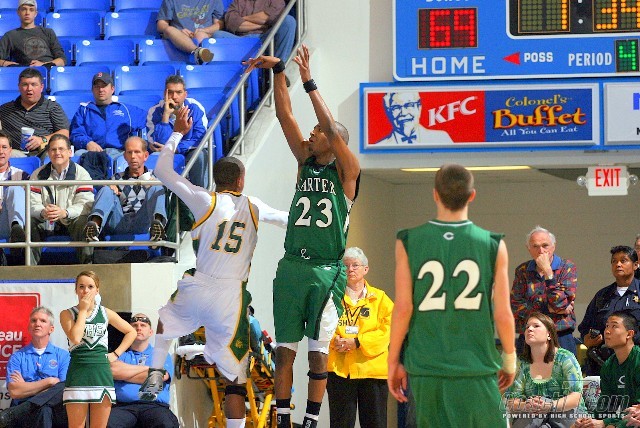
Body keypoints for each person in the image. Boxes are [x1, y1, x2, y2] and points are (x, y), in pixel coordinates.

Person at [138, 107, 288, 428]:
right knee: (234, 380)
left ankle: (155, 371)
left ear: (217, 180)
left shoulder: (204, 200)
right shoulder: (254, 205)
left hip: (202, 284)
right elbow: (287, 220)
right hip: (231, 298)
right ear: (241, 180)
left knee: (165, 321)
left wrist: (177, 133)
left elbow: (162, 170)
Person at [244, 45, 361, 428]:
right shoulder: (304, 161)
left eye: (318, 132)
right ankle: (283, 418)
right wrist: (279, 70)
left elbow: (328, 125)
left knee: (317, 351)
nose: (312, 133)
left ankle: (311, 419)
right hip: (293, 265)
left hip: (326, 271)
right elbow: (284, 115)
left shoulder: (347, 171)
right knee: (284, 352)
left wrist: (309, 82)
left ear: (333, 140)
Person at [387, 164, 516, 427]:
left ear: (435, 194)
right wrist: (510, 359)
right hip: (476, 367)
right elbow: (503, 313)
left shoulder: (408, 241)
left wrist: (393, 361)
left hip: (426, 368)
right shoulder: (493, 244)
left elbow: (403, 308)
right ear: (472, 195)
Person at [59, 271, 136, 428]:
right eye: (81, 287)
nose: (85, 291)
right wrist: (83, 310)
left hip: (101, 373)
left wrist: (116, 354)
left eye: (90, 287)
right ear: (76, 290)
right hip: (78, 373)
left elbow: (131, 332)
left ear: (97, 290)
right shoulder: (67, 314)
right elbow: (76, 338)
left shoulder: (105, 312)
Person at [326, 247, 393, 428]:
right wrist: (335, 340)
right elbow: (322, 324)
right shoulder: (332, 297)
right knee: (340, 423)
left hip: (372, 372)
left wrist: (357, 342)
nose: (350, 269)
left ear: (365, 269)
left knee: (375, 423)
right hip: (340, 371)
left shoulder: (380, 299)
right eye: (345, 266)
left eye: (355, 265)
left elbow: (389, 330)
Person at [505, 312, 587, 428]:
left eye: (536, 326)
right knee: (529, 416)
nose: (530, 329)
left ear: (549, 334)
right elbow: (511, 402)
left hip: (566, 416)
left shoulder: (565, 358)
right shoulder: (523, 364)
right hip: (535, 417)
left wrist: (549, 405)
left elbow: (575, 397)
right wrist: (526, 405)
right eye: (527, 327)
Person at [82, 136, 166, 243]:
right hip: (119, 221)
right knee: (106, 189)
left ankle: (157, 229)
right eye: (129, 152)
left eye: (137, 152)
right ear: (125, 156)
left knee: (156, 187)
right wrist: (109, 188)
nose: (133, 156)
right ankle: (93, 228)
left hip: (143, 221)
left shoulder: (155, 177)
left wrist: (152, 185)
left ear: (145, 156)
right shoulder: (117, 178)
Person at [512, 226, 577, 356]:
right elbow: (516, 306)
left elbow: (560, 304)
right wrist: (549, 309)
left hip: (559, 335)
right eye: (535, 246)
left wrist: (548, 273)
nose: (541, 251)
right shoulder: (522, 270)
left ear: (553, 246)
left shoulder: (567, 267)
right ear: (529, 249)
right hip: (529, 336)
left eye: (545, 245)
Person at [29, 134, 94, 265]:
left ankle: (86, 269)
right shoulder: (37, 174)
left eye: (61, 149)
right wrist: (43, 212)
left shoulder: (82, 174)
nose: (57, 153)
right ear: (48, 153)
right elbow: (31, 203)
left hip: (71, 219)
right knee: (30, 224)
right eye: (53, 149)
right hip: (46, 220)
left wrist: (65, 213)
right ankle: (30, 270)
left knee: (84, 223)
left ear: (70, 152)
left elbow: (85, 205)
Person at [0, 306, 70, 428]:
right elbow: (15, 392)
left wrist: (26, 387)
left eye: (43, 321)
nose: (37, 324)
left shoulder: (63, 356)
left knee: (58, 393)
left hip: (51, 412)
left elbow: (61, 390)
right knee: (44, 409)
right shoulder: (17, 357)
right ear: (29, 327)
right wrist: (49, 381)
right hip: (25, 415)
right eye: (34, 320)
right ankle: (25, 408)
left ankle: (18, 411)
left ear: (51, 329)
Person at [107, 313, 178, 428]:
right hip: (124, 407)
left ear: (150, 332)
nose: (138, 328)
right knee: (107, 424)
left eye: (143, 325)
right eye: (134, 325)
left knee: (166, 424)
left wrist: (124, 373)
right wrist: (148, 369)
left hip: (155, 407)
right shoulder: (119, 354)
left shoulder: (161, 355)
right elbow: (113, 371)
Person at [578, 245, 640, 376]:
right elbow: (585, 327)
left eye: (623, 260)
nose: (618, 264)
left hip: (635, 362)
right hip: (604, 363)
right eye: (614, 261)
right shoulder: (602, 295)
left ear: (635, 265)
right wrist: (587, 339)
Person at [575, 311, 640, 428]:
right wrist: (589, 420)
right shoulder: (609, 365)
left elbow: (637, 410)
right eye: (607, 326)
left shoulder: (637, 360)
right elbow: (606, 405)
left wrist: (605, 423)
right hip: (625, 417)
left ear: (629, 334)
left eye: (614, 326)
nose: (607, 331)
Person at [147, 75, 209, 188]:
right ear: (164, 94)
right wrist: (166, 116)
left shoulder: (195, 108)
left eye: (179, 92)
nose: (174, 96)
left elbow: (200, 139)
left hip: (189, 151)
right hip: (165, 153)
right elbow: (158, 143)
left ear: (185, 94)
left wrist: (176, 149)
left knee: (199, 154)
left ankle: (200, 193)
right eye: (170, 92)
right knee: (156, 155)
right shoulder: (155, 111)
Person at [70, 72, 147, 160]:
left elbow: (151, 119)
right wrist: (88, 143)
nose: (100, 90)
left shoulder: (126, 110)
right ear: (92, 90)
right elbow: (76, 134)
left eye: (104, 86)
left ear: (112, 89)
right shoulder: (83, 110)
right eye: (97, 87)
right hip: (92, 153)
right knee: (78, 154)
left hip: (119, 153)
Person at [0, 67, 69, 155]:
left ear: (41, 87)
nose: (29, 89)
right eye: (25, 84)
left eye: (34, 84)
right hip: (16, 154)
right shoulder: (6, 109)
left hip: (43, 152)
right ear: (19, 87)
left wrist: (42, 140)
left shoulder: (52, 107)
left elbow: (64, 133)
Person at [215, 0, 296, 62]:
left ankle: (278, 68)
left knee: (289, 21)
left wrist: (243, 18)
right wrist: (262, 25)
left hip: (266, 38)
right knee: (217, 35)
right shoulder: (238, 2)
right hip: (242, 40)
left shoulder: (276, 1)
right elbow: (232, 23)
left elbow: (267, 17)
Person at [0, 0, 66, 67]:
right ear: (18, 12)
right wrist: (13, 66)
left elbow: (62, 60)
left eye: (31, 10)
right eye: (24, 9)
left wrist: (43, 65)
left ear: (35, 13)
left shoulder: (48, 32)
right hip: (25, 71)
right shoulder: (10, 36)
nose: (27, 13)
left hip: (48, 69)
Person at [156, 0, 223, 64]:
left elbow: (219, 24)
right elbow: (161, 24)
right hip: (178, 37)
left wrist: (205, 30)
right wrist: (179, 31)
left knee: (201, 35)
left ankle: (201, 56)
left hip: (202, 35)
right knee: (169, 30)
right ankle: (198, 52)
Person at [374, 92, 453, 146]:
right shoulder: (380, 146)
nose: (404, 113)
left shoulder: (441, 138)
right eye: (396, 107)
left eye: (409, 105)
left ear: (419, 108)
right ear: (388, 112)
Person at [0, 130, 29, 256]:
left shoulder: (22, 176)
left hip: (9, 221)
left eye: (4, 147)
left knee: (15, 188)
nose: (1, 151)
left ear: (10, 150)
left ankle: (16, 230)